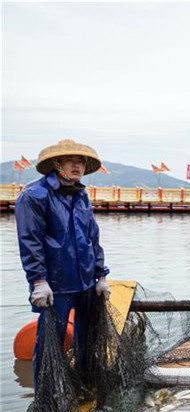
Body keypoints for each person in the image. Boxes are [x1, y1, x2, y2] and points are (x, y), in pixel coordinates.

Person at [15, 139, 111, 391]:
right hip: (55, 285)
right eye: (72, 161)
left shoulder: (81, 195)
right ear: (57, 164)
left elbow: (93, 238)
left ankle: (83, 388)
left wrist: (101, 276)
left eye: (81, 161)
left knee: (87, 341)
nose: (78, 166)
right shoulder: (34, 195)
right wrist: (38, 281)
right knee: (50, 345)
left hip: (87, 283)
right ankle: (46, 398)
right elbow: (30, 242)